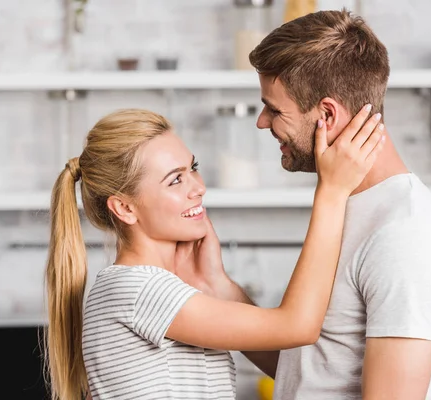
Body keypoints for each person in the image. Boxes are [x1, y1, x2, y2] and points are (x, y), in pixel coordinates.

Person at [187, 9, 431, 400]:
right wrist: (218, 287)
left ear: (326, 114)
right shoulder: (344, 205)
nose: (261, 122)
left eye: (275, 109)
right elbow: (311, 369)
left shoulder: (407, 237)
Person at [43, 107, 385, 400]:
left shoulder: (149, 291)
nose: (198, 187)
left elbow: (293, 366)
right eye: (175, 180)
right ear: (124, 208)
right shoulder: (137, 290)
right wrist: (332, 192)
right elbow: (298, 326)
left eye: (193, 167)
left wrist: (217, 283)